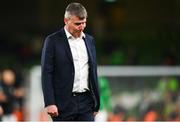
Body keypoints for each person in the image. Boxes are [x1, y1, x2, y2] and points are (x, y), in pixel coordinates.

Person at [41, 2, 100, 121]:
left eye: (84, 23)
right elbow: (47, 73)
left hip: (86, 102)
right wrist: (50, 102)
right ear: (66, 20)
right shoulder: (52, 41)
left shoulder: (90, 40)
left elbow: (93, 72)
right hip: (63, 104)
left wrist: (96, 102)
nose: (82, 26)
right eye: (77, 23)